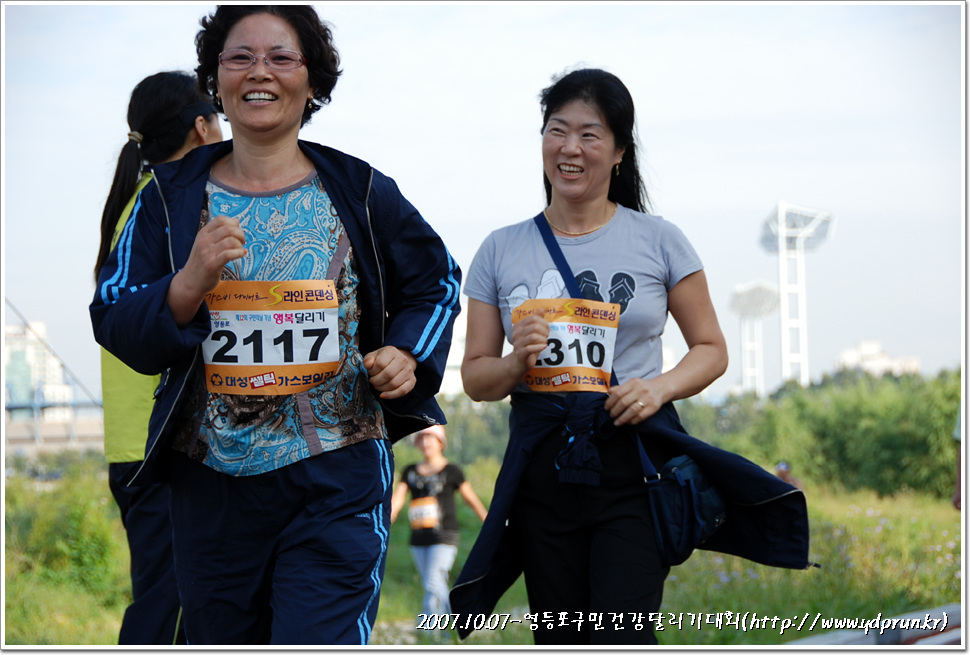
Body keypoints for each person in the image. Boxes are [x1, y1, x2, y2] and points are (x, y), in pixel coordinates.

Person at [90, 5, 460, 646]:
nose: (260, 72)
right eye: (240, 57)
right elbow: (114, 314)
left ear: (313, 81)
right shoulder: (167, 199)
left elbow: (438, 281)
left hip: (335, 475)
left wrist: (406, 350)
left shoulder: (361, 189)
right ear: (215, 81)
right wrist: (187, 284)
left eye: (281, 57)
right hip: (210, 482)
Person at [451, 68, 812, 645]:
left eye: (590, 135)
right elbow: (475, 378)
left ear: (619, 151)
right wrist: (516, 364)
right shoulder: (500, 248)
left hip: (637, 469)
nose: (570, 148)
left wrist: (659, 388)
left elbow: (712, 349)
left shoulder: (659, 239)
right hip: (544, 474)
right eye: (557, 130)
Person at [93, 70, 222, 646]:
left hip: (142, 445)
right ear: (201, 127)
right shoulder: (158, 211)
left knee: (176, 600)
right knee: (169, 607)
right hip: (156, 445)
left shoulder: (136, 208)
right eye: (217, 117)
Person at [390, 425, 487, 624]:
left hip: (445, 536)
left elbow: (471, 499)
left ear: (440, 442)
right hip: (418, 538)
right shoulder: (410, 471)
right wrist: (386, 519)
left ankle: (429, 631)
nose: (426, 443)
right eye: (422, 438)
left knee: (434, 581)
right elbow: (398, 499)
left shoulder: (452, 471)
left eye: (430, 438)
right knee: (432, 583)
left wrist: (488, 521)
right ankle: (451, 627)